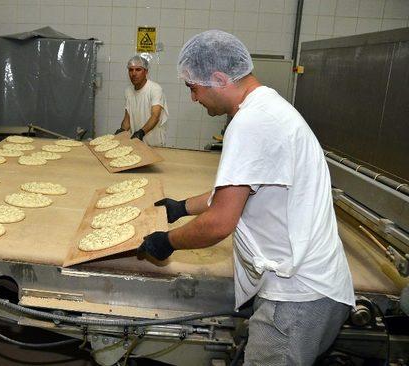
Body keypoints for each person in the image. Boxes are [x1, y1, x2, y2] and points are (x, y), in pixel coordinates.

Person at [137, 30, 355, 365]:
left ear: (220, 78)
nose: (194, 98)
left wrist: (167, 242)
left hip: (296, 298)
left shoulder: (251, 122)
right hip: (310, 288)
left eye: (193, 88)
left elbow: (221, 222)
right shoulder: (266, 107)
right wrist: (182, 208)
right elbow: (235, 192)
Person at [115, 55, 168, 147]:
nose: (134, 73)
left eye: (138, 70)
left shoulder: (155, 89)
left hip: (154, 143)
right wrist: (122, 130)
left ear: (146, 71)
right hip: (137, 143)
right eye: (131, 70)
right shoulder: (128, 91)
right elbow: (128, 118)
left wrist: (141, 132)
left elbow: (155, 116)